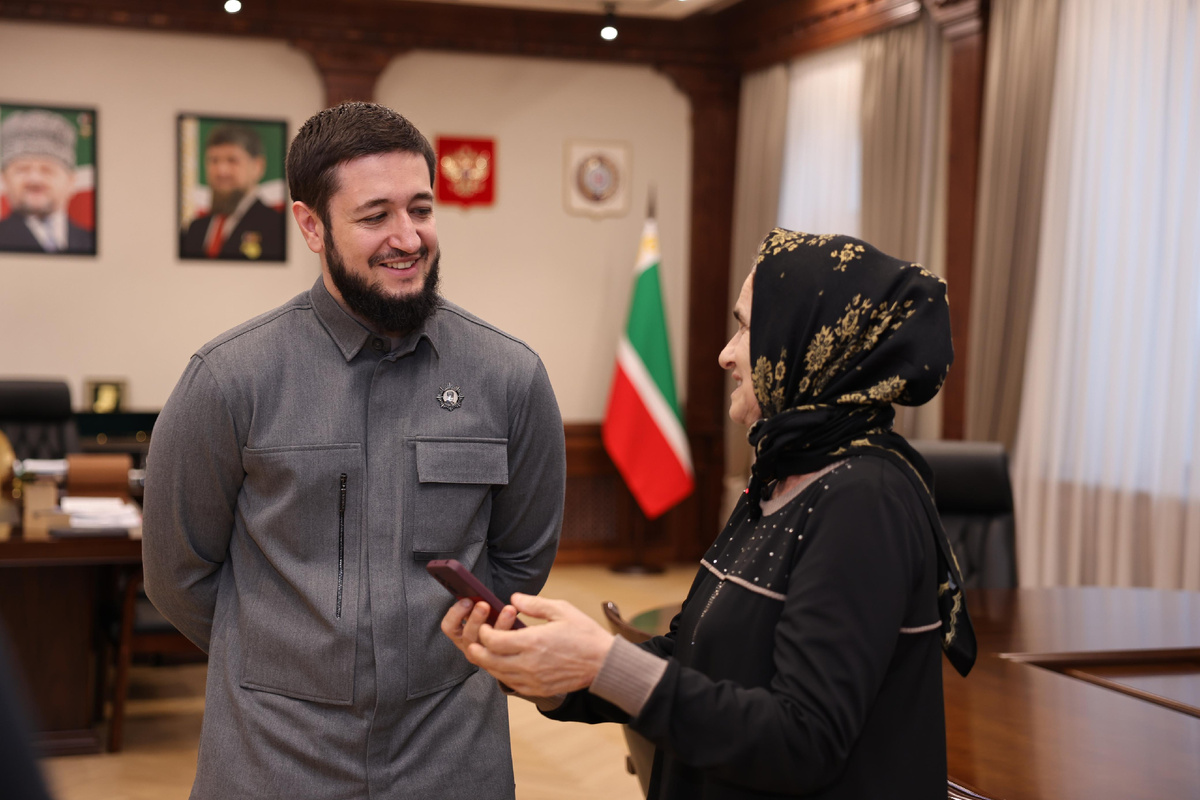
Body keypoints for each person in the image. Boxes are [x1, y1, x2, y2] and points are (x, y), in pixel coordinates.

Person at [443, 229, 977, 799]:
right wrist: (552, 676)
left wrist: (602, 664)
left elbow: (803, 741)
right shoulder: (781, 474)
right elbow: (691, 654)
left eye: (746, 328)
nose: (726, 354)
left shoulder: (865, 498)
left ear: (806, 345)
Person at [143, 102, 566, 799]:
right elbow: (177, 575)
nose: (408, 237)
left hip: (451, 753)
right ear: (311, 225)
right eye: (375, 216)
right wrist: (285, 665)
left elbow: (521, 560)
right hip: (271, 758)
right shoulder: (229, 378)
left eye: (421, 209)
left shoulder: (509, 376)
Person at [179, 123, 284, 261]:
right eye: (214, 160)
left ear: (257, 166)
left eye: (232, 160)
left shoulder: (277, 227)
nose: (221, 171)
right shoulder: (194, 229)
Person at [0, 109, 93, 254]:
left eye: (47, 170)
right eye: (22, 169)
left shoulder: (92, 240)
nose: (35, 179)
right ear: (4, 178)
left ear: (71, 181)